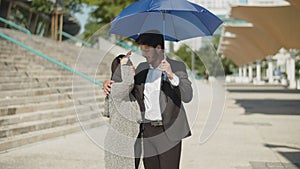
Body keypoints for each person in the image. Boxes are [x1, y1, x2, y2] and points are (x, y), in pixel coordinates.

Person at [104, 30, 193, 169]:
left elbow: (187, 95)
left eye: (146, 50)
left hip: (169, 132)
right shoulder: (142, 68)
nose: (144, 54)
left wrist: (171, 75)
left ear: (158, 48)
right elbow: (127, 90)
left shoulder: (177, 66)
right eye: (142, 50)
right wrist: (110, 83)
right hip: (147, 132)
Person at [103, 52, 141, 169]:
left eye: (131, 64)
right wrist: (124, 63)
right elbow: (128, 83)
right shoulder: (116, 89)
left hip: (128, 144)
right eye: (129, 65)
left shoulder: (128, 94)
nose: (132, 67)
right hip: (118, 144)